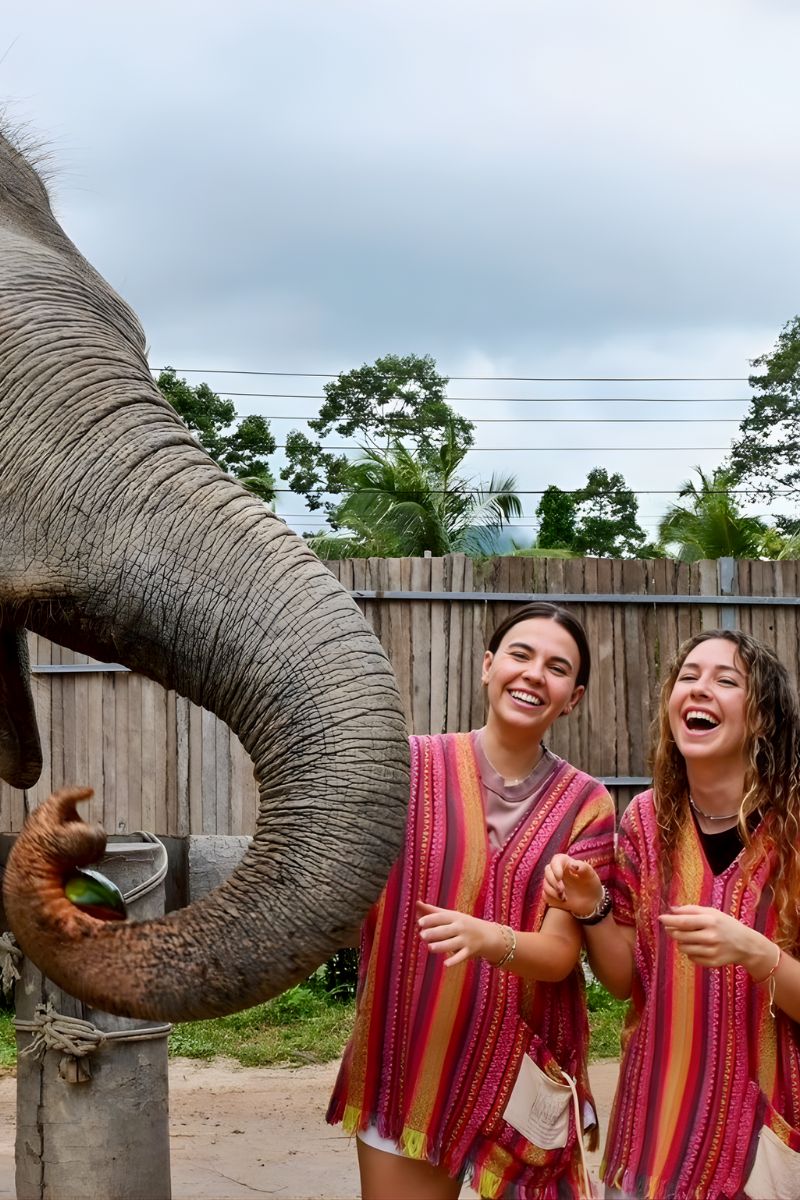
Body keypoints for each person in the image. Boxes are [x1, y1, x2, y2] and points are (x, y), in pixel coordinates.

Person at [327, 602, 616, 1199]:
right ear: (488, 667)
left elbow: (561, 954)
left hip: (519, 1079)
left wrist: (490, 938)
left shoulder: (587, 804)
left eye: (557, 668)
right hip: (409, 1062)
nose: (535, 674)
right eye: (520, 654)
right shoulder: (407, 766)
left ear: (574, 697)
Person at [544, 629, 800, 1200]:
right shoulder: (645, 819)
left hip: (763, 1148)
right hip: (653, 1140)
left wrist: (760, 955)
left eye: (726, 680)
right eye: (688, 677)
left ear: (761, 718)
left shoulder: (795, 826)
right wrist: (592, 908)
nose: (699, 689)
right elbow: (625, 982)